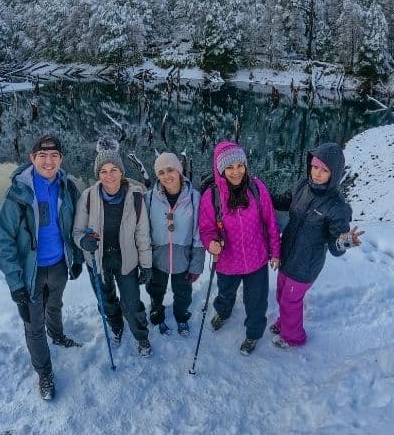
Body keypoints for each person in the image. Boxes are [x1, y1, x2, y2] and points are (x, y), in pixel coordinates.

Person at [0, 134, 84, 401]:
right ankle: (44, 373)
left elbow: (75, 225)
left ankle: (57, 335)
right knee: (33, 324)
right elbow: (3, 240)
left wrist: (76, 257)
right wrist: (15, 284)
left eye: (54, 155)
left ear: (61, 159)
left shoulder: (67, 188)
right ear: (32, 159)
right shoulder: (18, 193)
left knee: (54, 306)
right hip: (30, 273)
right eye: (42, 156)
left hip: (58, 266)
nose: (48, 161)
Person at [271, 142, 363, 349]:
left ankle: (293, 338)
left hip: (306, 264)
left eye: (324, 170)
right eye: (314, 167)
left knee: (290, 300)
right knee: (282, 295)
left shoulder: (337, 207)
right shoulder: (302, 186)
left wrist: (345, 241)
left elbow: (335, 245)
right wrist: (260, 193)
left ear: (335, 173)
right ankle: (285, 322)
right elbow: (283, 201)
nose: (317, 174)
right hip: (287, 254)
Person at [199, 140, 281, 356]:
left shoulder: (257, 188)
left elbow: (270, 221)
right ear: (220, 169)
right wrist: (211, 243)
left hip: (257, 259)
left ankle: (253, 334)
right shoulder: (212, 196)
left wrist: (275, 251)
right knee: (225, 293)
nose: (236, 172)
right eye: (229, 167)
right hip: (227, 260)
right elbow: (206, 229)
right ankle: (223, 312)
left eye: (240, 166)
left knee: (256, 300)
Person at [74, 137, 153, 357]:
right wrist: (83, 242)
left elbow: (142, 234)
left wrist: (146, 266)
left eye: (114, 170)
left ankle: (141, 336)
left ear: (122, 171)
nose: (109, 176)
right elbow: (77, 232)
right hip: (97, 261)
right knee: (106, 300)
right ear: (98, 175)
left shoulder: (135, 197)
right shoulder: (88, 197)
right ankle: (116, 327)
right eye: (103, 171)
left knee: (132, 302)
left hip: (126, 260)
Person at [144, 152, 204, 337]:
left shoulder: (194, 197)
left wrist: (196, 264)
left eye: (170, 170)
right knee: (156, 289)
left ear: (179, 170)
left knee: (183, 292)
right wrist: (145, 260)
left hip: (183, 257)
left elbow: (198, 233)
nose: (166, 176)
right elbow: (143, 231)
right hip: (157, 257)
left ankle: (181, 316)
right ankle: (157, 314)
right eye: (161, 172)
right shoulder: (149, 198)